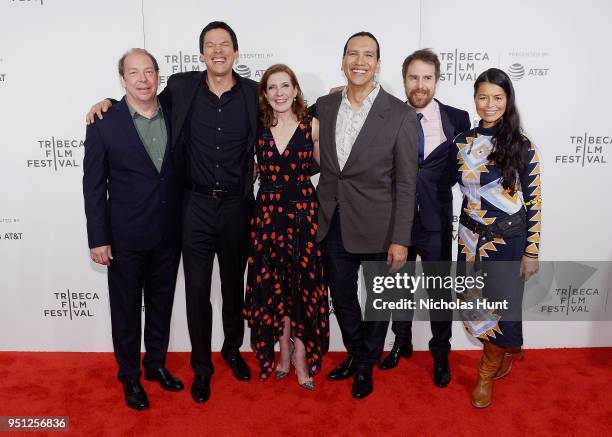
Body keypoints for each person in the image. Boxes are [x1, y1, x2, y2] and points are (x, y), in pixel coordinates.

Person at [86, 22, 258, 404]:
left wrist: (334, 99)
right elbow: (137, 103)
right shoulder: (181, 89)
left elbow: (287, 112)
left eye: (224, 45)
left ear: (235, 52)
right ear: (200, 55)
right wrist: (106, 103)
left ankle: (231, 349)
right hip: (192, 207)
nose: (217, 51)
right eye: (210, 46)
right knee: (196, 292)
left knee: (233, 287)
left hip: (234, 207)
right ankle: (201, 368)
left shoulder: (252, 93)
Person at [315, 32, 419, 399]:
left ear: (378, 63)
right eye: (353, 54)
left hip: (381, 227)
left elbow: (407, 184)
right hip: (332, 222)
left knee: (378, 303)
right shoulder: (324, 107)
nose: (360, 61)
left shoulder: (401, 115)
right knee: (342, 300)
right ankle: (359, 355)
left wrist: (401, 239)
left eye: (368, 55)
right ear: (343, 61)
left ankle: (363, 365)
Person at [83, 48, 184, 410]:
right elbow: (93, 185)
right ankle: (129, 376)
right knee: (125, 310)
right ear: (122, 79)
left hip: (169, 232)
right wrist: (99, 238)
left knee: (161, 305)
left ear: (158, 76)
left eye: (149, 72)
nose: (143, 79)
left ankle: (155, 365)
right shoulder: (103, 123)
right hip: (125, 237)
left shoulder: (175, 111)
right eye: (134, 73)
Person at [378, 49, 470, 388]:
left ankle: (440, 353)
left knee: (438, 292)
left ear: (437, 80)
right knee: (398, 288)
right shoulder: (386, 116)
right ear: (404, 80)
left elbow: (466, 169)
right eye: (414, 77)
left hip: (436, 219)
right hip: (396, 220)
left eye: (427, 78)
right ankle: (401, 342)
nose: (420, 85)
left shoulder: (458, 119)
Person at [452, 68, 541, 408]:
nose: (490, 104)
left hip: (507, 241)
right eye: (483, 97)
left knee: (499, 309)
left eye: (498, 98)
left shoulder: (522, 145)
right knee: (472, 304)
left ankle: (486, 371)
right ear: (475, 99)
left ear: (508, 100)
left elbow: (534, 201)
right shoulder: (462, 143)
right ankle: (507, 349)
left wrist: (531, 251)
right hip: (469, 240)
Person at [243, 64, 329, 390]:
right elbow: (249, 168)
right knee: (275, 285)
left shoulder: (313, 126)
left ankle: (301, 357)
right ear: (265, 94)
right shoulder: (258, 127)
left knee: (302, 286)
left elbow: (321, 166)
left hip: (304, 214)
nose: (279, 93)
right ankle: (282, 352)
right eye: (272, 87)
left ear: (295, 90)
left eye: (285, 86)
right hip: (267, 216)